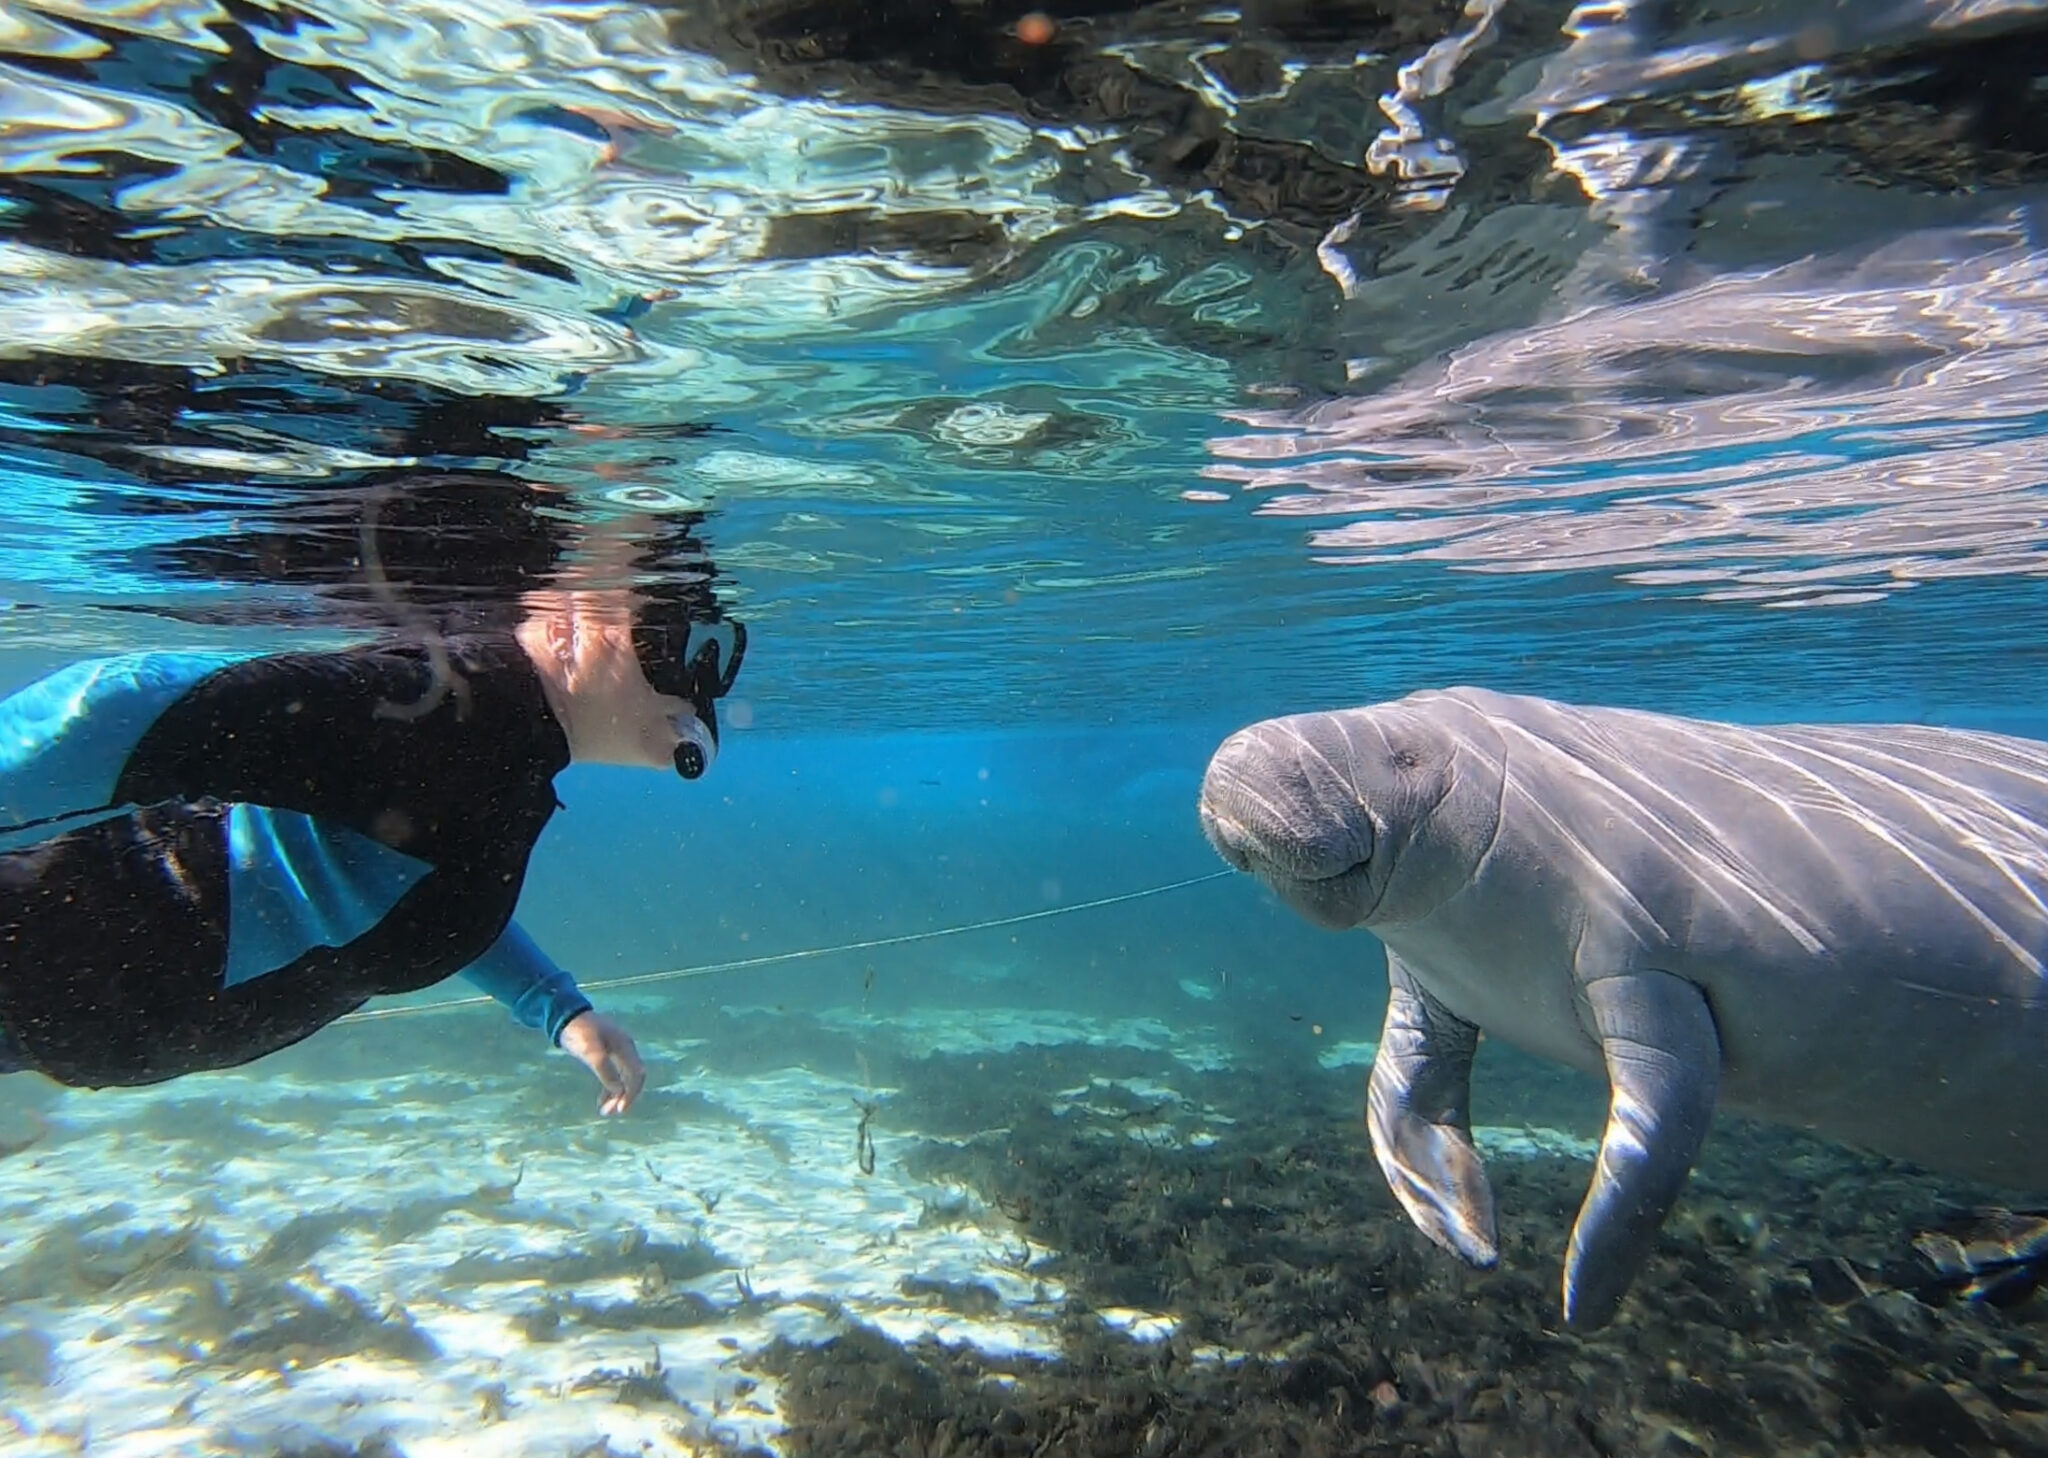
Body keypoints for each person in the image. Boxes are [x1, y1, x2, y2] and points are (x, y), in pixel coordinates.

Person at [0, 584, 745, 1112]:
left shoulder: (504, 754)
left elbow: (401, 884)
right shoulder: (455, 718)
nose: (689, 679)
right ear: (567, 630)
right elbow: (120, 702)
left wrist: (557, 1008)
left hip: (67, 1007)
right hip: (45, 962)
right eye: (660, 640)